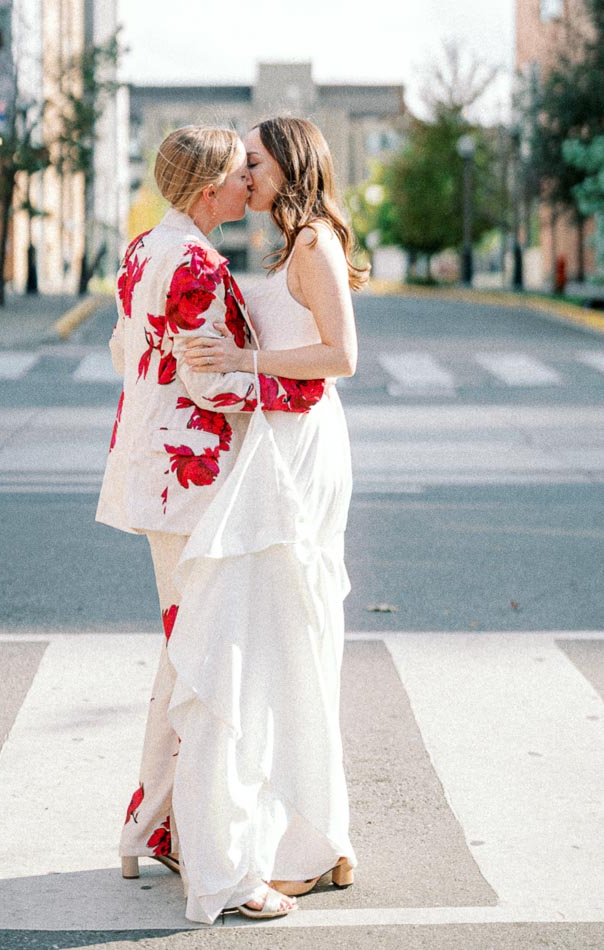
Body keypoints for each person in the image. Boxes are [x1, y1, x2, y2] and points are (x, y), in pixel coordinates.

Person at [96, 125, 326, 922]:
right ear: (207, 192)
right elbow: (214, 384)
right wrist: (299, 397)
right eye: (237, 175)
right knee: (209, 668)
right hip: (194, 489)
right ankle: (217, 870)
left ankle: (147, 829)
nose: (247, 187)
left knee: (182, 657)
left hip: (154, 479)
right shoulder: (196, 264)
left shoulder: (141, 250)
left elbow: (126, 347)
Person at [175, 115, 367, 922]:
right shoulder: (289, 247)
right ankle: (324, 838)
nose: (242, 173)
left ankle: (314, 843)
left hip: (301, 454)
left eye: (252, 161)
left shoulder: (315, 243)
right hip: (275, 446)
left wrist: (245, 361)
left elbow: (341, 356)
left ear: (289, 167)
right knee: (293, 640)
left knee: (289, 637)